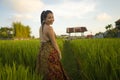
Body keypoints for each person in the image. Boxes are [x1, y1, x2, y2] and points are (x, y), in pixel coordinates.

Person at [36, 10, 70, 80]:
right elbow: (54, 42)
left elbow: (42, 40)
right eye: (49, 18)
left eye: (53, 17)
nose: (52, 19)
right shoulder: (49, 28)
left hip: (42, 52)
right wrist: (59, 53)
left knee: (44, 72)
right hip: (50, 52)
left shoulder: (41, 27)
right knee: (55, 72)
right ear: (44, 19)